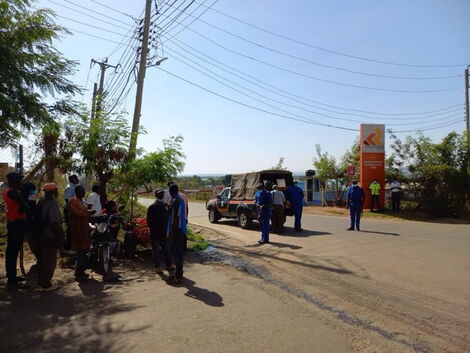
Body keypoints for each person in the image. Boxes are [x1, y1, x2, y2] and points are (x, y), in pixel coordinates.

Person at [2, 172, 28, 287]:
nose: (21, 183)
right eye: (19, 181)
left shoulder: (6, 191)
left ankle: (11, 275)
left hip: (12, 222)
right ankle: (12, 280)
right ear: (13, 181)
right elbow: (25, 207)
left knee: (12, 251)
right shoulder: (13, 192)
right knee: (13, 251)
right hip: (16, 223)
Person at [37, 183, 64, 290]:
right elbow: (54, 222)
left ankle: (42, 280)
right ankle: (46, 283)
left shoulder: (41, 201)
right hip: (50, 235)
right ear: (53, 192)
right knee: (50, 260)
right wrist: (59, 237)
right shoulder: (52, 203)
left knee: (43, 259)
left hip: (41, 234)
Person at [68, 185, 92, 282]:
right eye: (81, 191)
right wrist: (88, 212)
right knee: (81, 251)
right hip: (78, 230)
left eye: (84, 191)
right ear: (77, 192)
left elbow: (84, 211)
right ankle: (79, 273)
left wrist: (88, 212)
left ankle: (81, 271)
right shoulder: (73, 201)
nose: (83, 193)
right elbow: (78, 213)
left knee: (84, 251)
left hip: (84, 229)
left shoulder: (82, 201)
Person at [147, 188, 171, 274]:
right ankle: (157, 266)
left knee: (166, 249)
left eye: (162, 193)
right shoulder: (152, 207)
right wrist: (152, 230)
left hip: (164, 232)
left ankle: (169, 265)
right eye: (159, 194)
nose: (161, 195)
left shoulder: (166, 206)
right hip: (155, 233)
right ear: (156, 195)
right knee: (156, 251)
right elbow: (149, 221)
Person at [166, 184, 187, 284]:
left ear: (170, 192)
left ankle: (178, 277)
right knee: (177, 254)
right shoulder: (180, 200)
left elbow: (176, 219)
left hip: (177, 231)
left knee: (178, 255)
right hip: (180, 229)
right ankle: (178, 275)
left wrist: (170, 233)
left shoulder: (176, 201)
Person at [20, 182, 39, 263]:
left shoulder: (20, 194)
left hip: (23, 219)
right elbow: (33, 205)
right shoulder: (31, 192)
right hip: (29, 219)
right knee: (32, 239)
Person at [63, 175, 79, 252]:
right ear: (73, 179)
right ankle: (67, 248)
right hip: (69, 210)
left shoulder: (73, 187)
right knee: (70, 229)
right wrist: (72, 210)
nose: (77, 180)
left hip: (72, 210)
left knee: (72, 229)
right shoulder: (70, 188)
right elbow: (67, 200)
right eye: (76, 178)